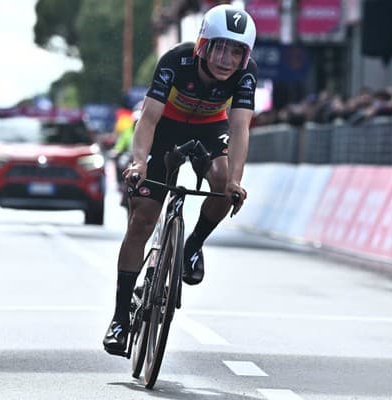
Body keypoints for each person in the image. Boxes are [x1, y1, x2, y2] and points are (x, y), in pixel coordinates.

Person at [103, 4, 257, 356]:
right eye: (219, 47)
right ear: (203, 45)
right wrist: (139, 162)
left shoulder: (246, 75)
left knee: (221, 183)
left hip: (209, 129)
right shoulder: (176, 60)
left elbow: (239, 127)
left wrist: (235, 179)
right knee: (142, 220)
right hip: (165, 129)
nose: (227, 59)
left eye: (236, 51)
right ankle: (119, 319)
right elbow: (148, 118)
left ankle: (191, 248)